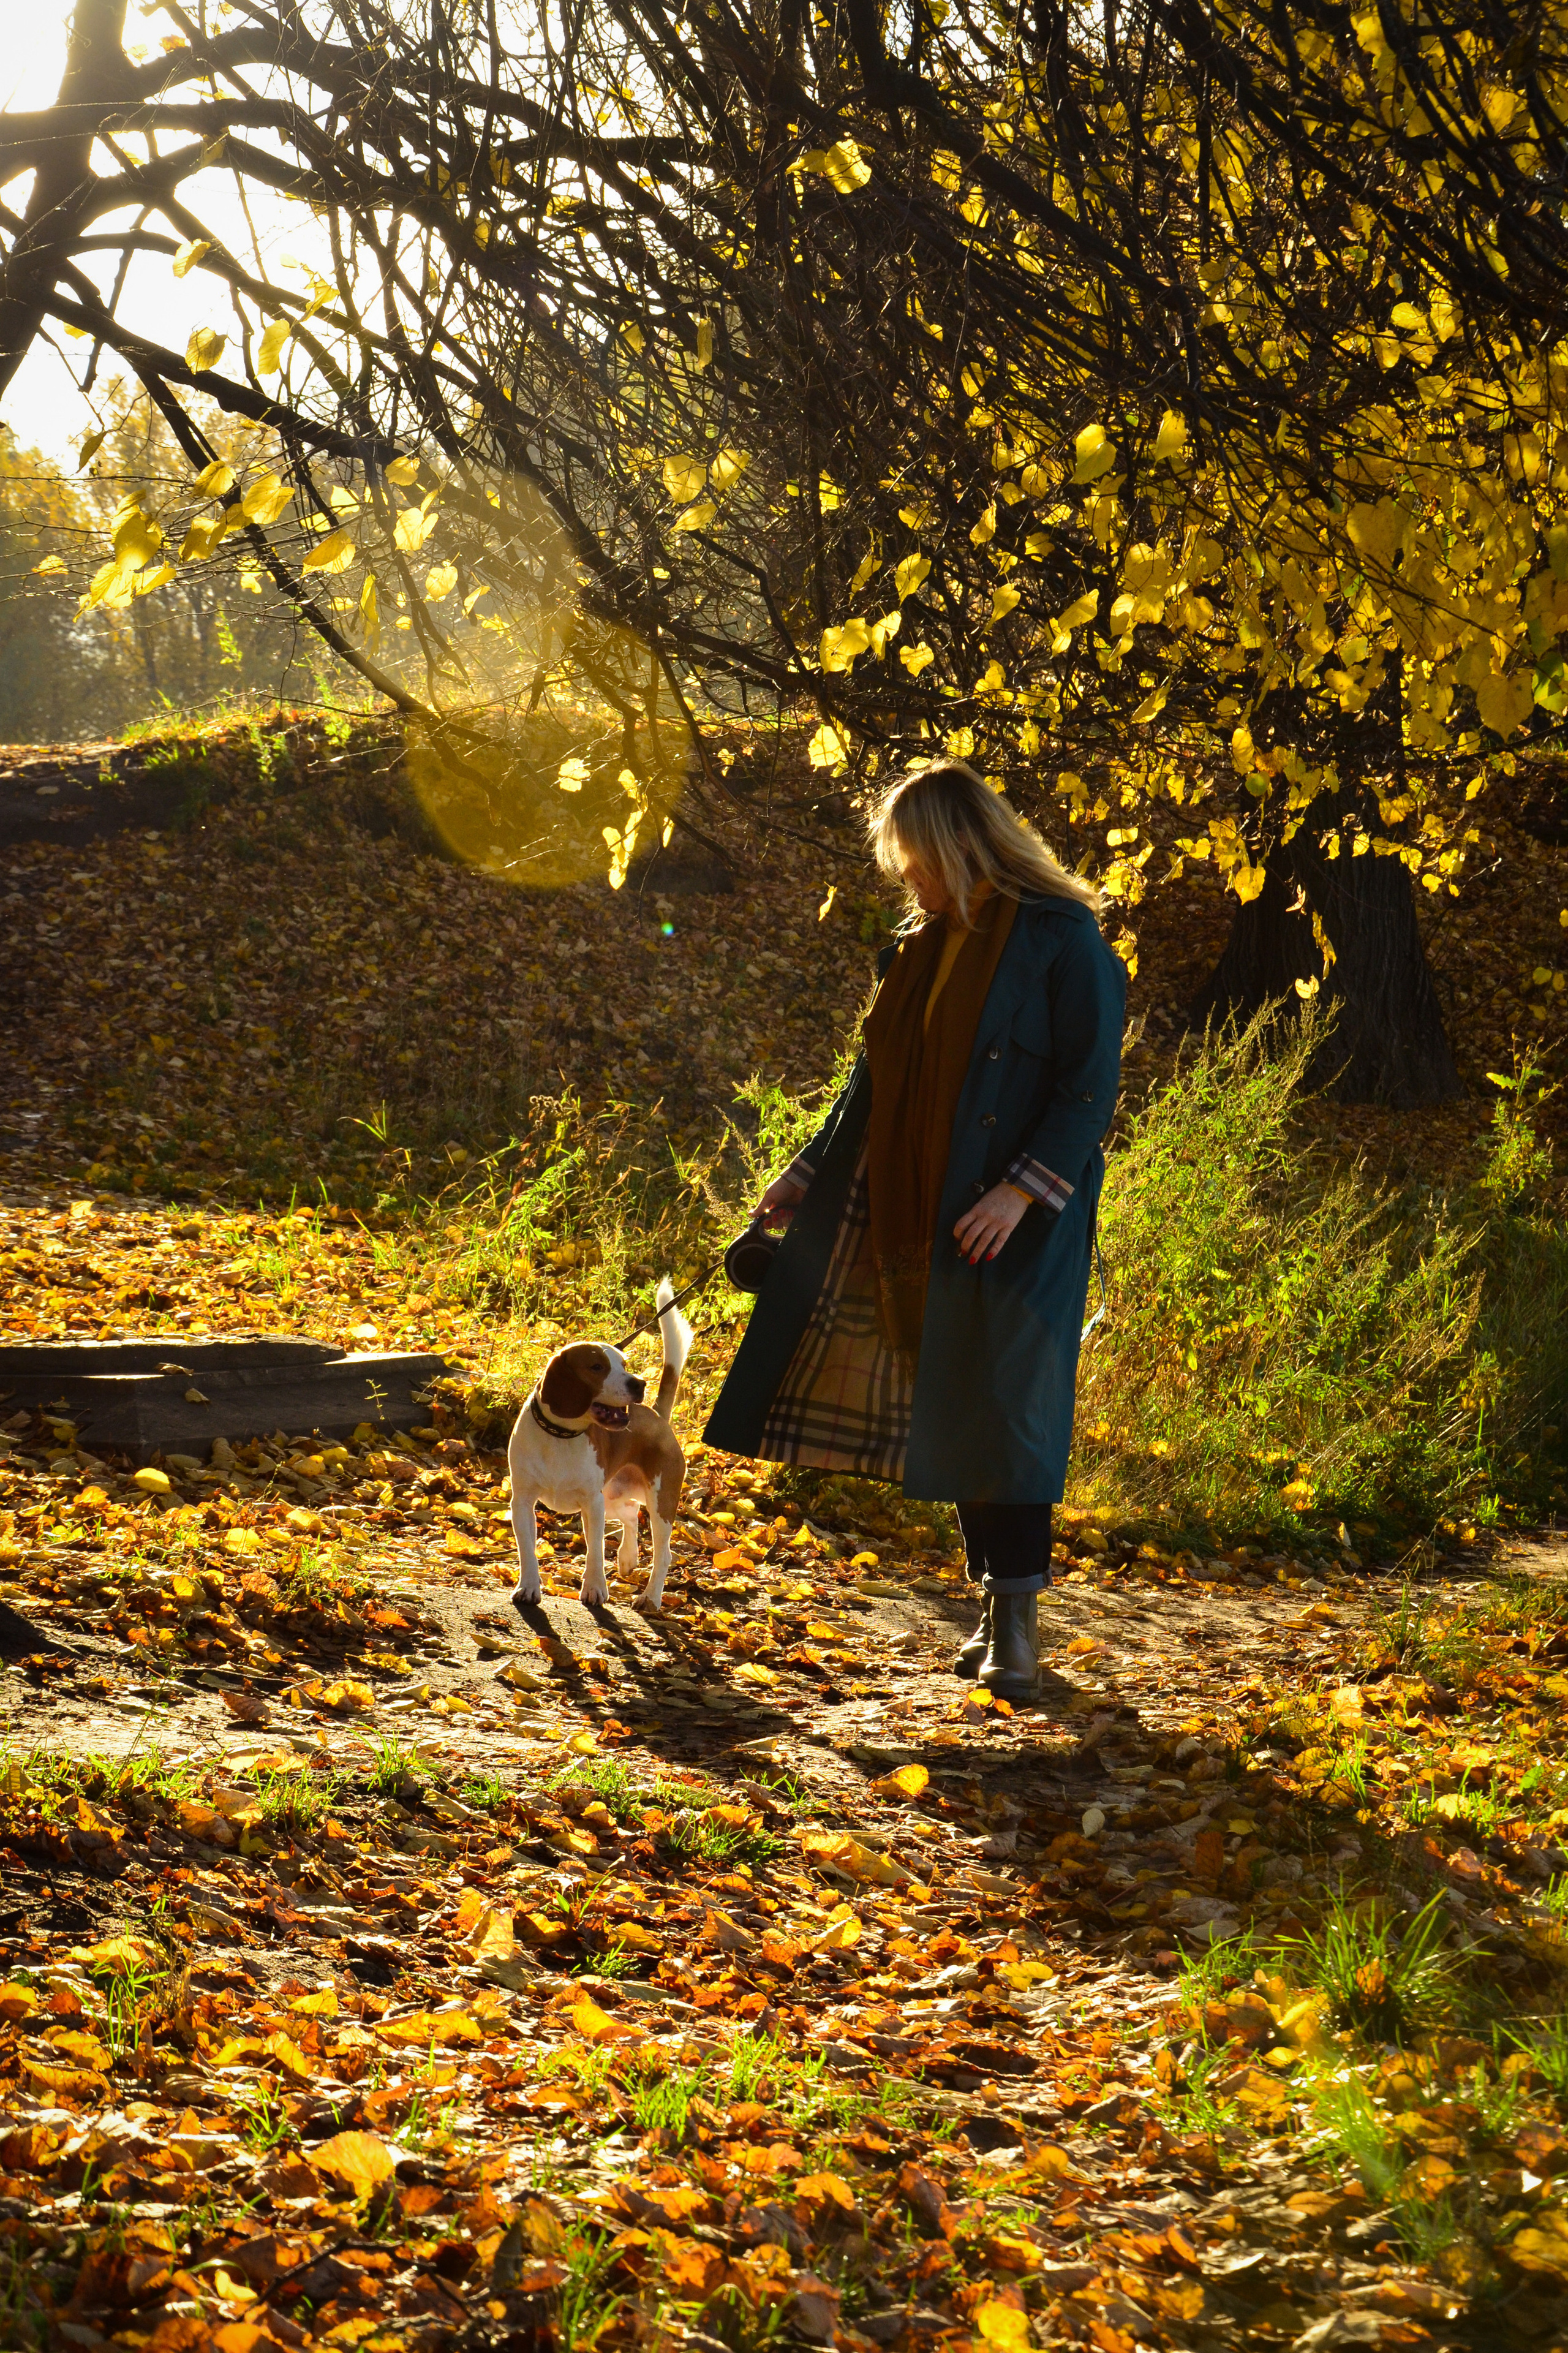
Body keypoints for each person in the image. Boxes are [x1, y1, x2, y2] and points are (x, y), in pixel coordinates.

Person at [703, 758, 1125, 1699]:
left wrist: (1020, 1193)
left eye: (915, 861)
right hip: (914, 1209)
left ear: (959, 847)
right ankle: (994, 1609)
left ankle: (1016, 1627)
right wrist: (805, 1172)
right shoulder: (916, 949)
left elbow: (1090, 1084)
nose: (908, 881)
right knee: (954, 1403)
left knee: (1007, 1409)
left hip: (1016, 1223)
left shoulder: (1065, 941)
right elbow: (874, 1084)